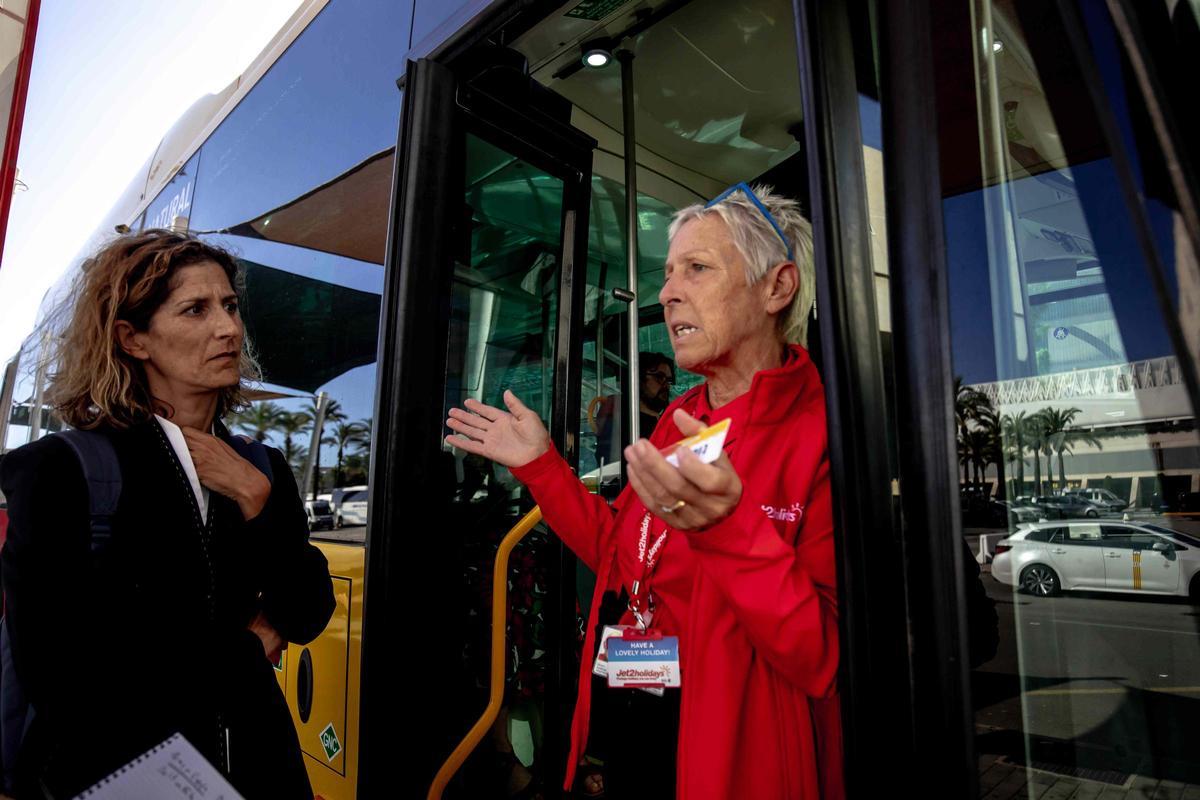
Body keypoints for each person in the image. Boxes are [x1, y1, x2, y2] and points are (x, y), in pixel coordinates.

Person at [447, 184, 841, 799]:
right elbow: (626, 556)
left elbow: (823, 656)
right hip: (643, 717)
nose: (666, 292)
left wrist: (727, 533)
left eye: (698, 269)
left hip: (730, 756)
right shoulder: (683, 416)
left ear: (776, 288)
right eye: (667, 273)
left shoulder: (826, 432)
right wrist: (543, 468)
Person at [0, 230, 335, 799]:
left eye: (230, 306)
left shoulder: (262, 467)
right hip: (122, 778)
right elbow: (61, 675)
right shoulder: (61, 470)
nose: (228, 328)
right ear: (133, 339)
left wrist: (256, 499)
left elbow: (305, 614)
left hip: (259, 766)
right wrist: (248, 650)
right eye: (195, 310)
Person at [638, 351, 676, 438]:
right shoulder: (626, 421)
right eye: (659, 377)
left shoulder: (669, 420)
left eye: (669, 380)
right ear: (640, 378)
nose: (666, 385)